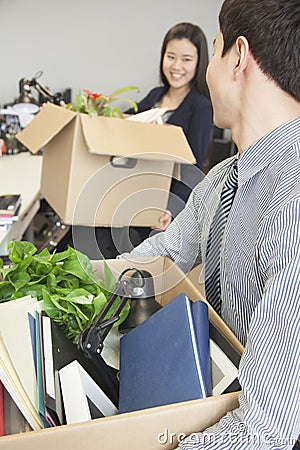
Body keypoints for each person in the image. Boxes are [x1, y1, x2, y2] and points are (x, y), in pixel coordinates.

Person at [119, 0, 300, 448]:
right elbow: (159, 256)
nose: (204, 74)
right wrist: (63, 281)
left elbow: (265, 432)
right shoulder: (224, 179)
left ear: (237, 57)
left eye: (213, 50)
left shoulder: (291, 206)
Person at [127, 22, 213, 234]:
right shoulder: (155, 96)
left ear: (199, 62)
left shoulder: (201, 106)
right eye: (171, 56)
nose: (176, 66)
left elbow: (194, 167)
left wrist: (172, 208)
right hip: (134, 195)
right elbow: (124, 125)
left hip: (162, 210)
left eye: (186, 59)